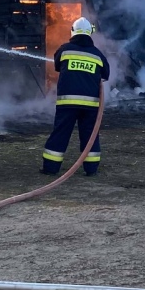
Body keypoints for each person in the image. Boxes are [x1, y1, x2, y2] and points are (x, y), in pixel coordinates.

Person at [42, 16, 110, 176]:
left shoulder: (65, 49)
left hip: (67, 103)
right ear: (89, 34)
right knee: (89, 135)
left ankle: (50, 168)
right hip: (91, 106)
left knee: (61, 133)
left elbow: (57, 66)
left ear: (73, 32)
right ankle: (91, 169)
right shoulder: (97, 55)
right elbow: (106, 74)